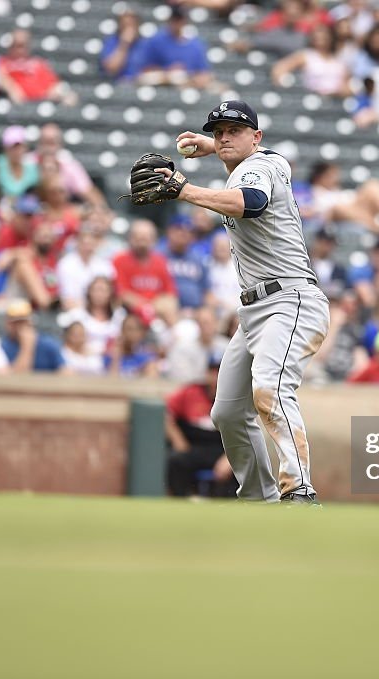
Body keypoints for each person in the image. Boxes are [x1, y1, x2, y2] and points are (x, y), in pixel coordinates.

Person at [169, 100, 330, 504]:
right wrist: (214, 148)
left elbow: (251, 202)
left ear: (255, 137)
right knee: (226, 412)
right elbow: (265, 163)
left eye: (234, 130)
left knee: (271, 389)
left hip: (289, 299)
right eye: (218, 130)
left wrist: (184, 190)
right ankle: (261, 499)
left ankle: (299, 492)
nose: (224, 135)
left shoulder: (254, 170)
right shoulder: (269, 161)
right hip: (256, 309)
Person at [165, 357, 237, 498]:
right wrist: (177, 440)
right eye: (212, 372)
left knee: (244, 466)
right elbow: (166, 414)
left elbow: (243, 431)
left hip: (221, 450)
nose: (215, 378)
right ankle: (182, 501)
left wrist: (229, 458)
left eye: (220, 373)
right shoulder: (190, 392)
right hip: (193, 446)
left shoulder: (235, 397)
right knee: (176, 461)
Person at [112, 219, 179, 323]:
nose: (142, 242)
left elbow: (170, 295)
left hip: (158, 314)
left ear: (153, 239)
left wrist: (152, 308)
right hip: (129, 315)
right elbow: (122, 294)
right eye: (138, 238)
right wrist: (147, 307)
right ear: (130, 238)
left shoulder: (161, 261)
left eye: (146, 238)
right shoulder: (119, 260)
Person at [133, 6, 213, 89]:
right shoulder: (156, 40)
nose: (177, 23)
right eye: (175, 19)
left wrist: (188, 76)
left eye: (180, 19)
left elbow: (204, 72)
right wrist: (168, 72)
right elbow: (143, 69)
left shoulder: (195, 44)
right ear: (170, 20)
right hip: (162, 81)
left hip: (189, 82)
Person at [270, 24, 353, 97]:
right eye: (317, 36)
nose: (321, 38)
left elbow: (347, 85)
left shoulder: (338, 60)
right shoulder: (306, 55)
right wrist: (284, 82)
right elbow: (280, 68)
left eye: (324, 36)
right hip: (311, 98)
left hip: (336, 100)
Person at [0, 29, 76, 104]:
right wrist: (12, 89)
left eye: (24, 45)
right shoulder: (3, 62)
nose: (20, 50)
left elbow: (53, 84)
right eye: (17, 45)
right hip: (20, 102)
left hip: (42, 100)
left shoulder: (38, 63)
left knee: (69, 96)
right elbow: (1, 78)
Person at [0, 299, 64, 373]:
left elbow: (65, 371)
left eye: (23, 322)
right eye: (15, 323)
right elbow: (13, 379)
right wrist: (27, 347)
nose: (19, 327)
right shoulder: (2, 348)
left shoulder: (47, 344)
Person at [106, 312, 158, 378]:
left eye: (137, 329)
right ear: (122, 331)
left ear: (142, 333)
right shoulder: (112, 354)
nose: (133, 333)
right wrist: (116, 358)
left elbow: (151, 378)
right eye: (129, 329)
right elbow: (111, 379)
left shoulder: (148, 355)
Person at [100, 7, 144, 82]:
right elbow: (111, 69)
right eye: (125, 25)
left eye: (132, 25)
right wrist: (124, 44)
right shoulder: (111, 42)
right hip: (117, 85)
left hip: (140, 84)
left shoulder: (145, 44)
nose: (129, 29)